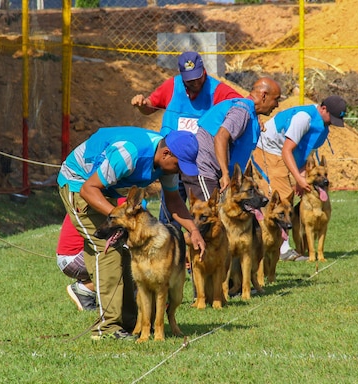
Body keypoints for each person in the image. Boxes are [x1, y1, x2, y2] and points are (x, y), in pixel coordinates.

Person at [57, 127, 206, 341]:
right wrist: (120, 220)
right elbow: (88, 190)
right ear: (166, 154)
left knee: (125, 252)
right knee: (108, 252)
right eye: (179, 166)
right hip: (78, 182)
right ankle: (108, 329)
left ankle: (127, 323)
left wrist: (193, 230)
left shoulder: (166, 164)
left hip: (103, 189)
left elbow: (173, 201)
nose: (179, 171)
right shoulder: (129, 155)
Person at [131, 51, 243, 226]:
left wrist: (254, 115)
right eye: (189, 80)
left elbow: (241, 107)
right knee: (169, 215)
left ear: (204, 70)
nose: (195, 82)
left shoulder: (217, 89)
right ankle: (171, 248)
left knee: (205, 214)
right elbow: (149, 107)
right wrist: (141, 105)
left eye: (198, 77)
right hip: (172, 162)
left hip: (199, 165)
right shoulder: (171, 86)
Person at [250, 95, 347, 261]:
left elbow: (300, 155)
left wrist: (303, 178)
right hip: (269, 149)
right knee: (280, 195)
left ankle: (276, 245)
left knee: (286, 197)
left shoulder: (322, 126)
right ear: (323, 109)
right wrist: (299, 179)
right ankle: (279, 249)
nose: (332, 122)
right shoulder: (304, 118)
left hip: (282, 154)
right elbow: (287, 150)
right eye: (332, 118)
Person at [181, 77, 282, 201]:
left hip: (216, 175)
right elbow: (221, 137)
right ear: (264, 96)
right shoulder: (242, 111)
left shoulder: (250, 114)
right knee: (212, 217)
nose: (277, 105)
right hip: (204, 171)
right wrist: (225, 174)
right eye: (276, 99)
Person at [56, 213, 97, 312]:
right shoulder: (112, 200)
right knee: (122, 259)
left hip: (70, 257)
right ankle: (84, 289)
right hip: (74, 259)